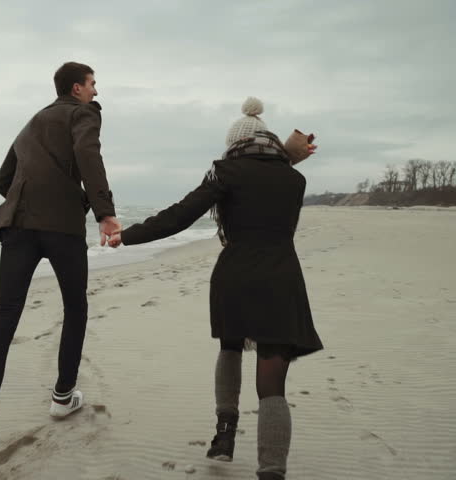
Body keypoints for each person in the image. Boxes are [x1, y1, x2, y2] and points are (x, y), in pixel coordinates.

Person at [108, 98, 323, 480]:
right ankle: (272, 471)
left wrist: (129, 236)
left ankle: (224, 436)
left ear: (233, 144)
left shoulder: (225, 172)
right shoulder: (294, 178)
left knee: (230, 345)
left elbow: (181, 214)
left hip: (235, 277)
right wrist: (287, 157)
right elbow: (270, 181)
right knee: (272, 384)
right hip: (281, 279)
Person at [0, 61, 122, 479]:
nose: (96, 90)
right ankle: (63, 396)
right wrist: (104, 212)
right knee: (75, 308)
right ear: (77, 88)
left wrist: (31, 192)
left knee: (5, 313)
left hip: (19, 225)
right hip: (62, 226)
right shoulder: (82, 114)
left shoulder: (32, 122)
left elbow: (2, 179)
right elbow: (88, 155)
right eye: (92, 84)